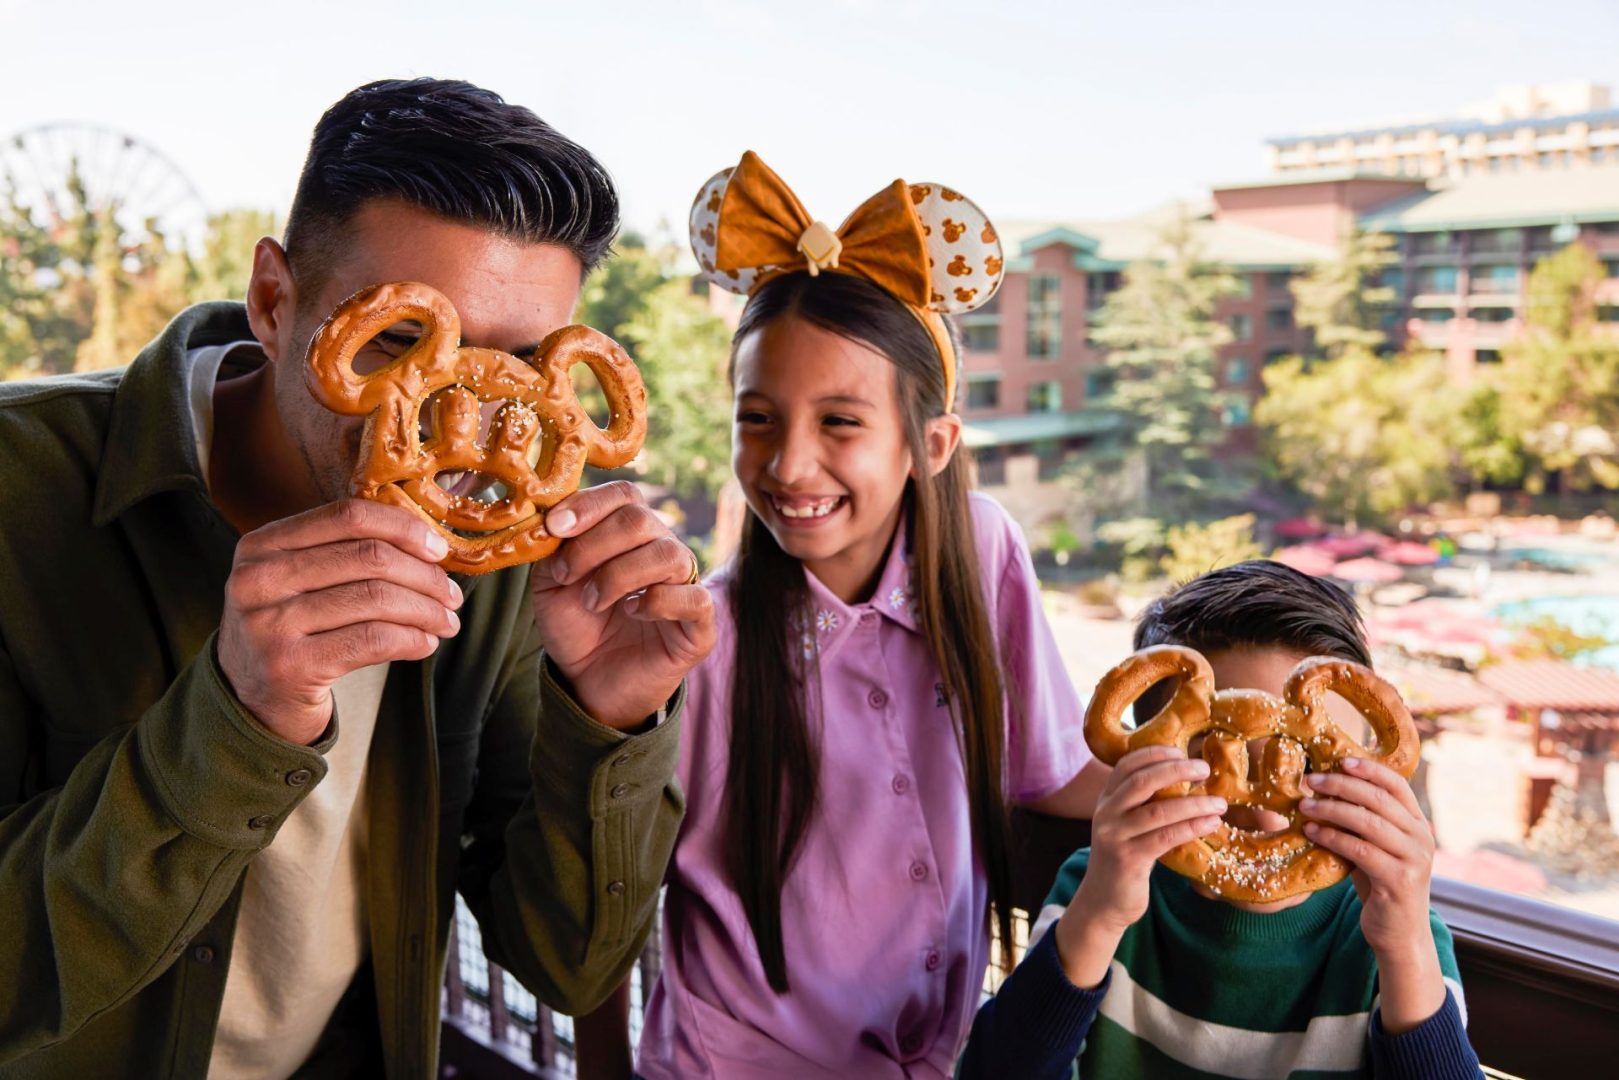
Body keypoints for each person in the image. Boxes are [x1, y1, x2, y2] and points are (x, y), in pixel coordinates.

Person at [0, 78, 714, 1080]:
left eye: (508, 364)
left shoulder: (511, 560)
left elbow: (566, 966)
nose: (449, 424)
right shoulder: (18, 490)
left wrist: (608, 720)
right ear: (273, 301)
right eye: (397, 341)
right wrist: (234, 719)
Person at [616, 152, 1107, 1079]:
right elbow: (602, 866)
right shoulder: (696, 642)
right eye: (756, 419)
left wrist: (1206, 795)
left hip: (940, 1058)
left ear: (931, 443)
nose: (789, 465)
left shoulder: (983, 549)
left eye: (839, 423)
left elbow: (1050, 773)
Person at [957, 561, 1483, 1079]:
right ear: (1146, 759)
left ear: (1367, 759)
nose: (1260, 812)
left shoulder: (1395, 933)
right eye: (1213, 763)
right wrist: (1099, 914)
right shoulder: (1096, 890)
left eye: (1307, 765)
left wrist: (1404, 946)